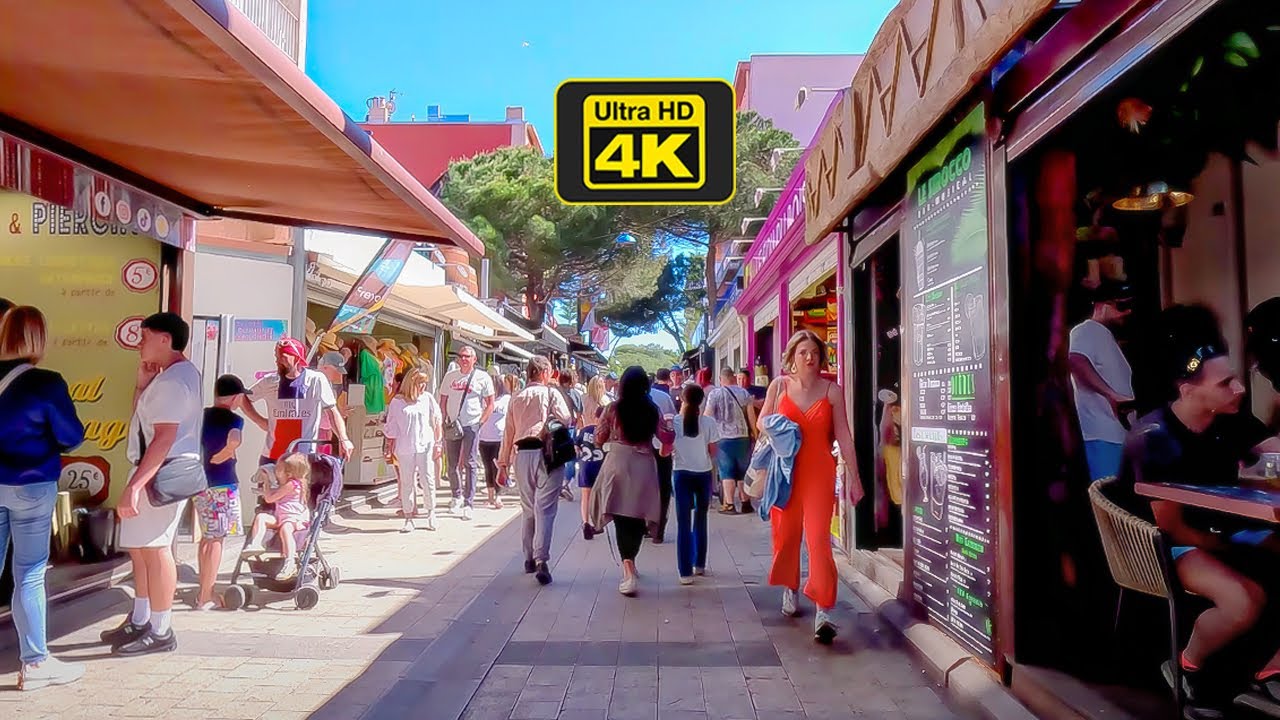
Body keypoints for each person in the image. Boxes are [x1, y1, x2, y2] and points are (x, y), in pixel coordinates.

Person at [1119, 305, 1280, 714]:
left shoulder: (1229, 421)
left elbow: (1262, 449)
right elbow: (1171, 527)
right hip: (1163, 544)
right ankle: (1186, 664)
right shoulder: (1154, 439)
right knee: (1245, 600)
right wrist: (1233, 549)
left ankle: (1269, 670)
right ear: (1188, 390)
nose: (1240, 389)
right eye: (1226, 384)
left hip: (1217, 532)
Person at [103, 312, 203, 656]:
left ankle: (160, 629)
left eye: (145, 336)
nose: (138, 342)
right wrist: (142, 386)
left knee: (155, 549)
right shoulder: (175, 376)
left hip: (161, 472)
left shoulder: (175, 380)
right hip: (155, 469)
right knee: (142, 548)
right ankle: (144, 618)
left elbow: (163, 438)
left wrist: (135, 485)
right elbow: (145, 426)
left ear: (166, 339)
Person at [0, 306, 87, 689]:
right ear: (39, 338)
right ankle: (34, 664)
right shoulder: (47, 382)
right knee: (29, 574)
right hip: (32, 487)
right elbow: (71, 435)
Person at [759, 330, 863, 644]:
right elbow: (762, 420)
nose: (809, 358)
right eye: (803, 352)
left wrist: (854, 478)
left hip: (820, 472)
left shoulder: (832, 391)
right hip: (787, 473)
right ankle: (790, 587)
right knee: (787, 536)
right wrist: (777, 426)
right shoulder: (779, 387)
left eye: (814, 353)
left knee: (819, 539)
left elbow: (844, 435)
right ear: (792, 356)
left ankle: (823, 610)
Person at [590, 367, 674, 596]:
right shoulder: (652, 409)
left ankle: (628, 569)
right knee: (637, 517)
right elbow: (666, 436)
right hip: (644, 465)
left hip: (617, 464)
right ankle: (630, 564)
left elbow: (599, 438)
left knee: (620, 516)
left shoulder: (612, 408)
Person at [498, 356, 572, 586]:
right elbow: (566, 419)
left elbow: (508, 433)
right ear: (544, 373)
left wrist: (503, 464)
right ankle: (542, 559)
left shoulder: (516, 397)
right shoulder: (550, 393)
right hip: (546, 454)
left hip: (521, 454)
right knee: (545, 509)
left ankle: (528, 557)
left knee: (528, 508)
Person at [242, 337, 353, 467]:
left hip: (303, 458)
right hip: (273, 456)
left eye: (283, 356)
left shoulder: (316, 380)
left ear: (296, 357)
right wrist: (259, 421)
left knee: (299, 488)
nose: (278, 360)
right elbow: (243, 398)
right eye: (276, 356)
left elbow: (332, 411)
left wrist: (343, 439)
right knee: (270, 488)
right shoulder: (269, 381)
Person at [1069, 283, 1135, 481]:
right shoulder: (1087, 330)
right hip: (1103, 435)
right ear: (1101, 306)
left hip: (1116, 435)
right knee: (1108, 498)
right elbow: (1075, 360)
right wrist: (1111, 395)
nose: (1128, 312)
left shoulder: (1106, 338)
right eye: (1121, 306)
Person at [193, 374, 247, 610]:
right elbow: (234, 440)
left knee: (206, 537)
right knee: (217, 540)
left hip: (200, 483)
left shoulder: (201, 416)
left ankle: (202, 590)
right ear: (235, 397)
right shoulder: (234, 420)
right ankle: (207, 595)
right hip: (223, 483)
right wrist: (224, 455)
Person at [439, 344, 495, 520]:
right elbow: (443, 399)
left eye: (467, 356)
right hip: (452, 424)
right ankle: (456, 495)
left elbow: (490, 403)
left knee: (470, 462)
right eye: (461, 356)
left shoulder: (482, 377)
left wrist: (481, 422)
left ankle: (469, 501)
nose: (463, 359)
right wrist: (444, 418)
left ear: (474, 359)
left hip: (471, 424)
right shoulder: (450, 376)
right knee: (452, 463)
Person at [384, 369, 443, 532]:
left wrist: (438, 443)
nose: (423, 386)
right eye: (419, 383)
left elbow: (437, 421)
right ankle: (408, 516)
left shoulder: (427, 399)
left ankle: (431, 513)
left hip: (425, 444)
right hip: (405, 446)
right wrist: (389, 445)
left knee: (427, 479)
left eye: (425, 383)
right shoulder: (397, 402)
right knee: (406, 481)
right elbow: (392, 426)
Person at [672, 385, 718, 585]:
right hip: (703, 473)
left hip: (681, 474)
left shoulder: (673, 423)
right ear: (701, 401)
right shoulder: (708, 422)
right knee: (701, 518)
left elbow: (665, 450)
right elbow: (713, 450)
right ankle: (699, 563)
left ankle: (684, 572)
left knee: (683, 523)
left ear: (681, 399)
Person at [246, 453, 311, 581]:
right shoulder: (286, 484)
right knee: (261, 517)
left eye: (278, 469)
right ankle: (256, 544)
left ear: (289, 473)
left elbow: (269, 498)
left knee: (285, 529)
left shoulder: (292, 485)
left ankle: (290, 561)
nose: (275, 471)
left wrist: (266, 481)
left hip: (294, 518)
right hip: (281, 516)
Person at [707, 366, 757, 515]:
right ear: (733, 378)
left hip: (723, 439)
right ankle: (745, 502)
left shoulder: (715, 394)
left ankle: (729, 504)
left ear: (721, 379)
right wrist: (755, 434)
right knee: (742, 471)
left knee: (726, 472)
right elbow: (751, 416)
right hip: (743, 438)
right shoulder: (744, 393)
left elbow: (708, 416)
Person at [478, 374, 517, 511]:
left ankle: (498, 495)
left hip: (499, 437)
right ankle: (490, 496)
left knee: (498, 468)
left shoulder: (506, 399)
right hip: (484, 438)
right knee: (487, 467)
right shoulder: (483, 400)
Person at [648, 371, 677, 543]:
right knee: (664, 487)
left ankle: (646, 523)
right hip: (661, 448)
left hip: (640, 451)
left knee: (644, 487)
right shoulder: (663, 397)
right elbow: (671, 422)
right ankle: (659, 528)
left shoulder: (629, 399)